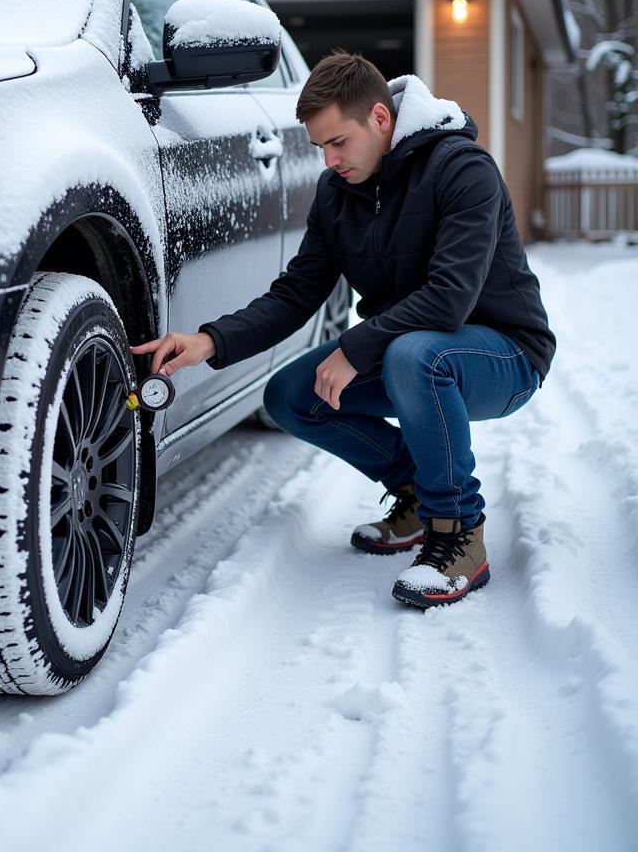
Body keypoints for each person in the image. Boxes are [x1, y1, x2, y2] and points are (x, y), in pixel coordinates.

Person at [129, 52, 555, 609]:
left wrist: (355, 348)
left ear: (380, 119)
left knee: (414, 355)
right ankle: (416, 494)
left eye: (338, 142)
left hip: (504, 355)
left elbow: (451, 299)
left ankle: (458, 535)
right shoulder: (339, 193)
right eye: (320, 147)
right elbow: (297, 292)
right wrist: (209, 340)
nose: (329, 160)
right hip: (411, 350)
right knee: (290, 396)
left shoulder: (461, 169)